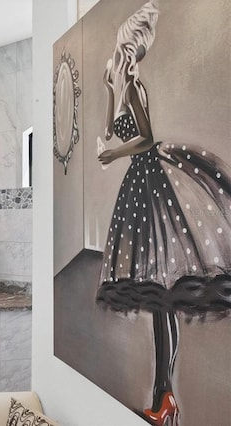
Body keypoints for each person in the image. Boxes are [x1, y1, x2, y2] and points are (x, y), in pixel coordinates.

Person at [95, 2, 231, 425]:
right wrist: (106, 90)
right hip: (138, 184)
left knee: (162, 292)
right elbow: (106, 136)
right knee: (158, 295)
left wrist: (114, 150)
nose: (123, 54)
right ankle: (164, 395)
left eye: (126, 48)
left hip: (149, 183)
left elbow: (146, 140)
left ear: (128, 48)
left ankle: (164, 395)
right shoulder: (121, 86)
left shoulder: (136, 86)